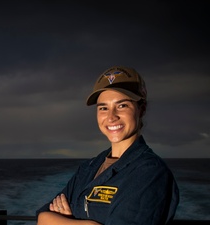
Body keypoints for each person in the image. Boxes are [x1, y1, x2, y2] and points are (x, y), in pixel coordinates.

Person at [36, 66, 179, 225]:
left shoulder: (149, 173)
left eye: (122, 105)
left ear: (142, 109)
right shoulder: (89, 167)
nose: (111, 117)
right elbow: (43, 217)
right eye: (103, 108)